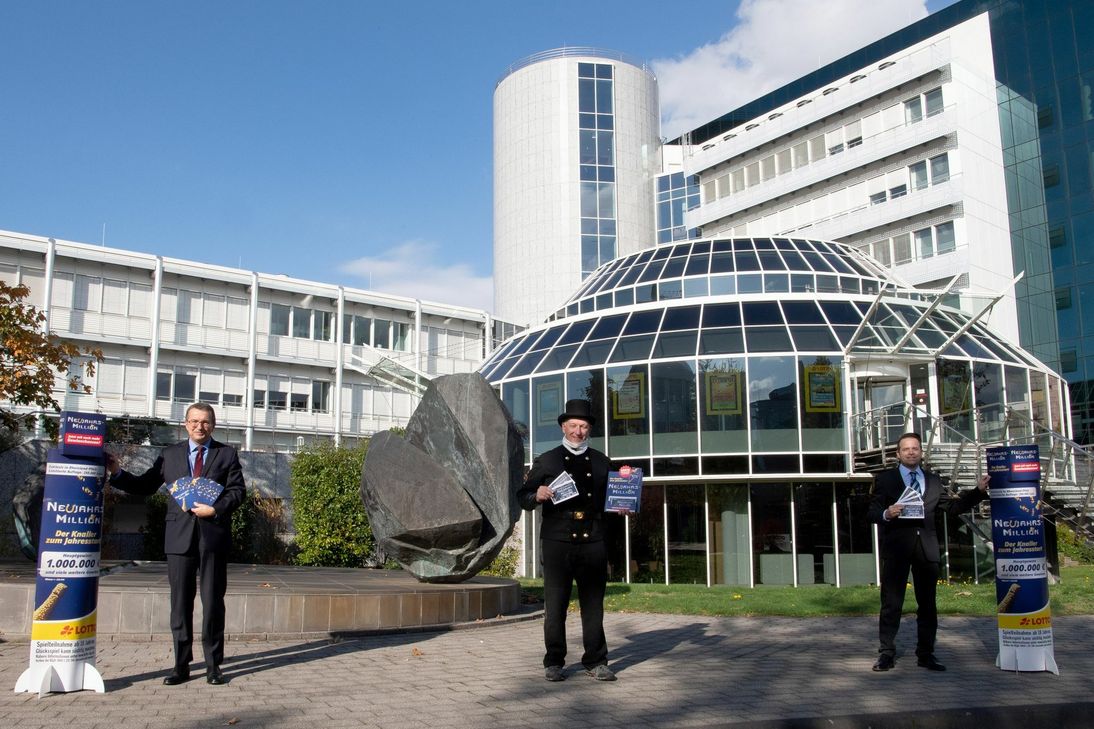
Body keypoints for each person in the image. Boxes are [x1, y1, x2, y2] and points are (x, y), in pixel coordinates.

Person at [105, 403, 246, 685]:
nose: (199, 426)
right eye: (194, 421)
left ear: (213, 425)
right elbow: (145, 485)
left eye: (205, 422)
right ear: (185, 424)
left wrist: (215, 509)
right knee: (180, 605)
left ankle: (213, 666)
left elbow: (237, 491)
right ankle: (181, 665)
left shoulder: (226, 454)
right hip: (178, 538)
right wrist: (117, 473)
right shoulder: (169, 455)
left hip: (213, 537)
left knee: (213, 603)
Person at [867, 431, 988, 672]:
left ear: (921, 452)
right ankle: (886, 654)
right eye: (906, 449)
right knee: (891, 603)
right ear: (898, 454)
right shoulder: (886, 479)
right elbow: (871, 512)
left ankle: (926, 654)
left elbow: (952, 509)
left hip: (927, 549)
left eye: (915, 448)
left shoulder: (933, 481)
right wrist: (886, 514)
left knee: (928, 605)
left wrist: (978, 491)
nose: (911, 452)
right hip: (897, 548)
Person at [517, 399, 617, 682]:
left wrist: (622, 506)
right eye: (573, 425)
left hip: (593, 541)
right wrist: (536, 495)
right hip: (557, 541)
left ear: (589, 429)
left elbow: (613, 501)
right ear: (563, 426)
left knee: (593, 605)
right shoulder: (547, 460)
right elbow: (522, 497)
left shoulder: (602, 461)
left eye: (583, 426)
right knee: (556, 604)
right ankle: (554, 661)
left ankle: (596, 660)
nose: (578, 431)